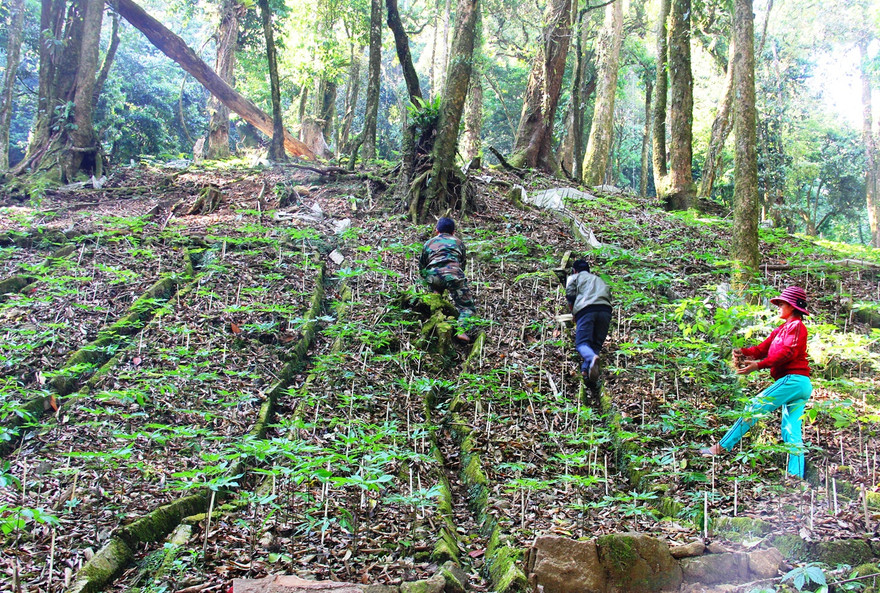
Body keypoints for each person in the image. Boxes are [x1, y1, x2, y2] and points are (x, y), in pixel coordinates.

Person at [700, 286, 813, 478]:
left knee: (754, 406)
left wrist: (758, 366)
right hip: (798, 384)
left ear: (793, 307)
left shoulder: (796, 326)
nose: (778, 307)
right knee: (790, 430)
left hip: (793, 380)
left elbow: (787, 353)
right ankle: (796, 476)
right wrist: (742, 353)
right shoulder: (781, 330)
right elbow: (761, 350)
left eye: (782, 304)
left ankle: (720, 448)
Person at [419, 217, 476, 343]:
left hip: (433, 276)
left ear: (436, 230)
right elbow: (462, 264)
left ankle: (435, 316)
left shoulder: (429, 243)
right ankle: (461, 330)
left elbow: (422, 267)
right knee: (467, 307)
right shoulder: (458, 242)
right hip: (453, 275)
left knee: (434, 294)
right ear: (453, 232)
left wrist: (429, 281)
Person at [565, 259, 613, 381]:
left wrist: (573, 312)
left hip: (586, 310)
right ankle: (586, 372)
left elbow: (570, 295)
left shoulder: (574, 277)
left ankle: (591, 358)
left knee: (582, 343)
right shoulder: (599, 280)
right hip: (605, 311)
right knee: (595, 345)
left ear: (574, 270)